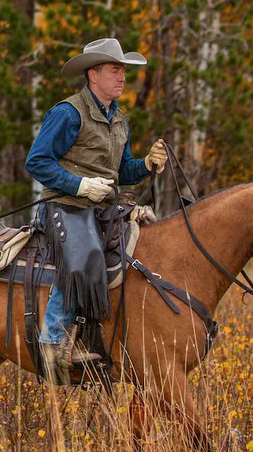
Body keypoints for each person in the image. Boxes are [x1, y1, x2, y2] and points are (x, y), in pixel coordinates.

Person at [24, 37, 166, 383]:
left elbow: (121, 171)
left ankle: (107, 340)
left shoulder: (119, 119)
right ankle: (53, 340)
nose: (122, 78)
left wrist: (146, 164)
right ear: (93, 75)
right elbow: (37, 161)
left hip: (103, 206)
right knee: (86, 255)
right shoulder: (67, 113)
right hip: (65, 205)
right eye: (115, 70)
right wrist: (79, 185)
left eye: (123, 71)